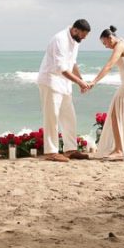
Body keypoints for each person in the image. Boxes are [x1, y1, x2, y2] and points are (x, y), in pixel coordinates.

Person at [85, 25, 124, 162]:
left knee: (115, 114)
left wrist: (94, 81)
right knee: (123, 115)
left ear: (110, 38)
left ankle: (119, 150)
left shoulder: (120, 45)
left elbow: (109, 65)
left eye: (105, 43)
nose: (105, 46)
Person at [37, 19, 92, 162]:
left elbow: (72, 63)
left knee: (69, 117)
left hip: (64, 84)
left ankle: (70, 150)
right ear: (75, 30)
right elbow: (61, 68)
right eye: (82, 35)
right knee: (52, 117)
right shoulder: (59, 39)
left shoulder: (75, 41)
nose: (83, 38)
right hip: (50, 81)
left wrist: (82, 81)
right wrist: (79, 82)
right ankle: (51, 152)